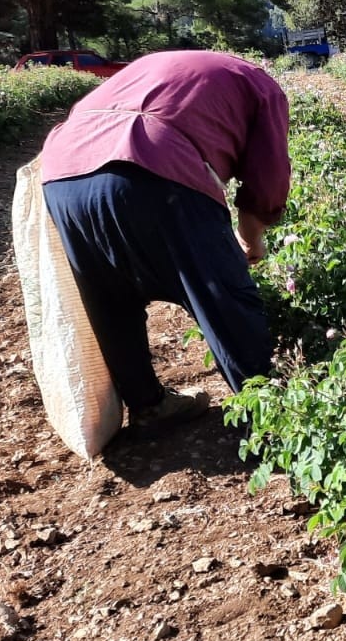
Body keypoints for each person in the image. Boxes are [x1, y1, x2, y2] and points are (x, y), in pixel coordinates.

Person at [38, 51, 291, 428]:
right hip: (150, 160)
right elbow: (269, 176)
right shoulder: (260, 83)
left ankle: (147, 404)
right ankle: (272, 417)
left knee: (109, 296)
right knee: (220, 294)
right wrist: (251, 238)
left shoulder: (151, 66)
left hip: (61, 170)